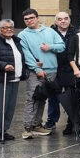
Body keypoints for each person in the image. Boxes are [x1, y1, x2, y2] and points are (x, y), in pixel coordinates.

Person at [18, 9, 65, 139]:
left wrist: (49, 47)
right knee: (32, 98)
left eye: (31, 18)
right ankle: (28, 127)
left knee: (43, 98)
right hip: (35, 72)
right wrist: (37, 69)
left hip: (52, 70)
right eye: (26, 19)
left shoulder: (50, 31)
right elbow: (26, 54)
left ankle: (37, 125)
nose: (29, 21)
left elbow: (62, 46)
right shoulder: (23, 35)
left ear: (37, 18)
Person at [0, 19, 27, 142]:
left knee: (9, 108)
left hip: (14, 79)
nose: (9, 29)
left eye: (11, 27)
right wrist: (3, 65)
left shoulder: (16, 41)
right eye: (5, 27)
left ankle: (3, 130)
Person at [47, 11, 80, 135]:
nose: (63, 21)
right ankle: (51, 120)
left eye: (66, 18)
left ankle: (71, 122)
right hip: (54, 67)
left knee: (70, 96)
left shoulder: (77, 33)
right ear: (55, 21)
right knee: (53, 96)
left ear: (69, 20)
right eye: (60, 19)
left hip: (70, 68)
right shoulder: (49, 33)